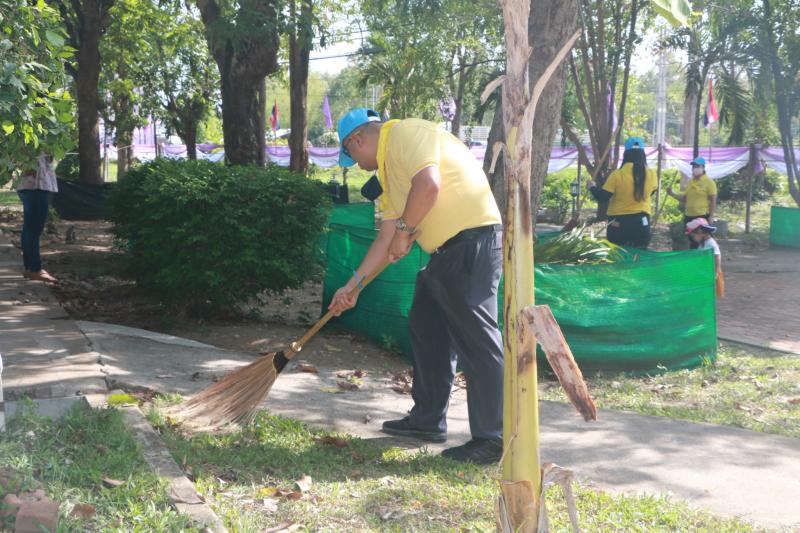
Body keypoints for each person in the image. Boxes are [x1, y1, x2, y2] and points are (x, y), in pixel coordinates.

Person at [329, 108, 504, 464]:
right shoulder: (389, 174)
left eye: (351, 155)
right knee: (426, 326)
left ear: (357, 140)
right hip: (442, 254)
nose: (356, 164)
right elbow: (386, 239)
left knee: (479, 343)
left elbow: (429, 186)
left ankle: (493, 438)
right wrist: (353, 286)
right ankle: (427, 420)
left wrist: (406, 231)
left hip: (472, 243)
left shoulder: (407, 134)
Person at [586, 137, 658, 249]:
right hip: (642, 223)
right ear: (643, 154)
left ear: (626, 154)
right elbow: (651, 192)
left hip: (618, 224)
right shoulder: (651, 174)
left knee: (618, 258)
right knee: (640, 257)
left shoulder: (617, 175)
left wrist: (592, 187)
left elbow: (603, 197)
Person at [15, 154, 58, 283]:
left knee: (30, 227)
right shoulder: (30, 134)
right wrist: (29, 167)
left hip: (36, 184)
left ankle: (30, 268)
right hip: (34, 184)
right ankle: (34, 269)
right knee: (34, 228)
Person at [667, 156, 717, 249]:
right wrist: (672, 194)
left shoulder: (709, 182)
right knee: (692, 241)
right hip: (689, 216)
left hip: (702, 216)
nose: (695, 168)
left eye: (697, 166)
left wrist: (711, 215)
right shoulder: (690, 181)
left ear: (703, 167)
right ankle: (694, 260)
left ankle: (709, 259)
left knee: (703, 240)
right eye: (693, 166)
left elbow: (713, 200)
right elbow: (685, 198)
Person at [685, 217, 725, 298]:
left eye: (694, 236)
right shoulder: (702, 244)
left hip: (711, 273)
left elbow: (716, 256)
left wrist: (716, 272)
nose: (693, 239)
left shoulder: (710, 243)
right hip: (704, 272)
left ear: (700, 232)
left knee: (709, 295)